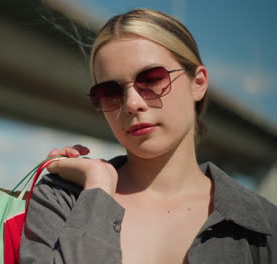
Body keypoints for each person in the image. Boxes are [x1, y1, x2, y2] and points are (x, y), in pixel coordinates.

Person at [19, 8, 277, 264]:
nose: (132, 103)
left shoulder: (265, 225)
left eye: (152, 79)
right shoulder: (62, 199)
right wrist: (98, 189)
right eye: (110, 91)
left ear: (197, 83)